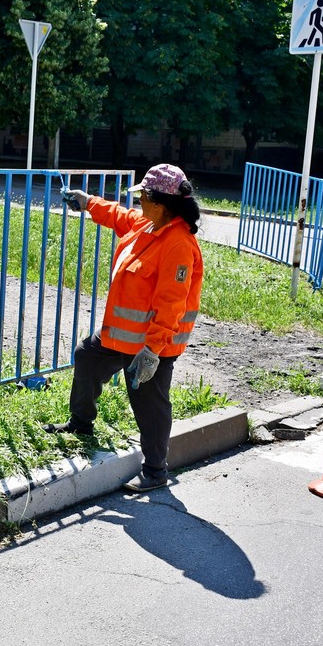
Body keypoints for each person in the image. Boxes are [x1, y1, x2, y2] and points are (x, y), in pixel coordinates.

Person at [47, 163, 204, 493]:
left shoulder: (177, 243)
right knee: (86, 356)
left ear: (158, 202)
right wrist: (87, 201)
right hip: (119, 336)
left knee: (148, 402)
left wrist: (153, 352)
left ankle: (155, 471)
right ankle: (81, 424)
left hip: (150, 346)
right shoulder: (149, 226)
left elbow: (172, 303)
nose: (138, 203)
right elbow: (120, 216)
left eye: (142, 197)